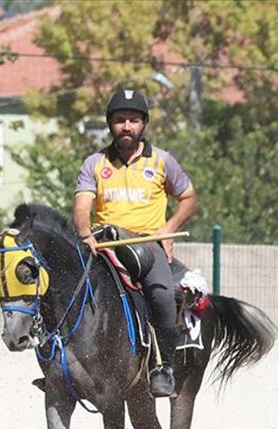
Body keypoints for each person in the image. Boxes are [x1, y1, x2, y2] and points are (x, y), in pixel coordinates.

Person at [72, 89, 197, 398]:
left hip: (149, 246)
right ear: (109, 124)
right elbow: (81, 206)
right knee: (68, 289)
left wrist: (168, 229)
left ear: (144, 124)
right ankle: (59, 364)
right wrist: (85, 233)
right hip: (104, 245)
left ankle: (162, 368)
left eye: (133, 120)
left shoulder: (163, 161)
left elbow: (188, 198)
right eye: (119, 120)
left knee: (162, 297)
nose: (126, 126)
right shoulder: (94, 163)